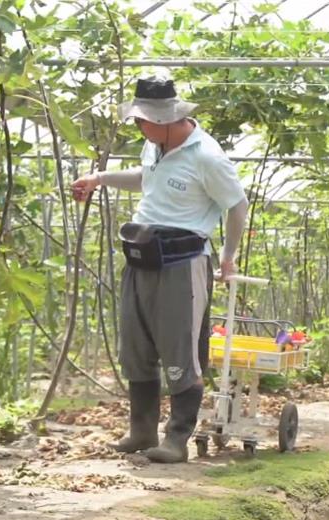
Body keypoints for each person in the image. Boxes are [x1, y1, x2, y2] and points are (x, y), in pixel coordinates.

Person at [71, 77, 249, 464]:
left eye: (143, 121)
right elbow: (145, 179)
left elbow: (237, 205)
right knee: (136, 344)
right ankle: (141, 430)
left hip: (182, 264)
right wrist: (99, 179)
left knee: (179, 348)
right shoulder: (154, 145)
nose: (139, 127)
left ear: (168, 119)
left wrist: (228, 256)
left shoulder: (207, 158)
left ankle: (176, 438)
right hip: (142, 258)